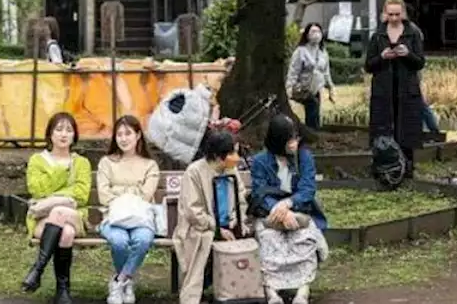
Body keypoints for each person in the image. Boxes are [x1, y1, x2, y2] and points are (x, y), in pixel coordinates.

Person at [249, 116, 329, 304]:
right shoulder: (261, 161)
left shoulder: (304, 157)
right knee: (269, 240)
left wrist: (288, 204)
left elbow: (308, 189)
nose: (295, 143)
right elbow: (259, 193)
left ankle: (303, 291)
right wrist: (277, 209)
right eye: (290, 139)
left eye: (296, 138)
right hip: (270, 215)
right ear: (279, 140)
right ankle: (271, 292)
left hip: (298, 210)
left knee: (303, 239)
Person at [23, 112, 91, 304]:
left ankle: (38, 269)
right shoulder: (37, 160)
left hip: (74, 215)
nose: (63, 134)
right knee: (66, 233)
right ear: (50, 134)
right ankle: (63, 291)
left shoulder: (81, 163)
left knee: (59, 212)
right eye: (59, 129)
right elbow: (36, 189)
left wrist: (53, 198)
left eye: (69, 130)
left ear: (74, 136)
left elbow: (81, 194)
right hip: (41, 219)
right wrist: (62, 173)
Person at [173, 129, 247, 304]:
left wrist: (238, 221)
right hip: (201, 227)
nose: (236, 157)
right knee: (203, 240)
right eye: (232, 152)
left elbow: (241, 199)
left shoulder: (231, 170)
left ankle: (236, 293)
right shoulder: (194, 172)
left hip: (229, 224)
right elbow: (193, 211)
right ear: (218, 155)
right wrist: (216, 229)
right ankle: (192, 297)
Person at [97, 115, 160, 304]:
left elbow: (146, 195)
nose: (123, 139)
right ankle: (127, 281)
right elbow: (103, 195)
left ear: (138, 135)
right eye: (119, 134)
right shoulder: (106, 163)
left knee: (143, 239)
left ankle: (120, 280)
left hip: (141, 218)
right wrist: (132, 190)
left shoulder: (150, 165)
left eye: (128, 134)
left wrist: (117, 190)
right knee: (119, 241)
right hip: (112, 218)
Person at [365, 0, 426, 174]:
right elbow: (368, 65)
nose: (393, 18)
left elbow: (420, 62)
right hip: (383, 89)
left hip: (406, 88)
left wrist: (407, 54)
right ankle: (384, 165)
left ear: (403, 13)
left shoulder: (412, 33)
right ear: (385, 13)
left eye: (397, 14)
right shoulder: (377, 35)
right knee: (382, 127)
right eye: (390, 14)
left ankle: (406, 167)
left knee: (406, 128)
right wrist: (382, 57)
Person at [286, 23, 335, 129]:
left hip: (316, 89)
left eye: (318, 31)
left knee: (315, 111)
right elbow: (293, 71)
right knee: (313, 106)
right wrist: (289, 88)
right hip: (302, 88)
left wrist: (330, 88)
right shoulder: (300, 51)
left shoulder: (323, 52)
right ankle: (312, 131)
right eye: (313, 31)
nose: (316, 34)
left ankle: (314, 132)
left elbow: (326, 72)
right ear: (307, 35)